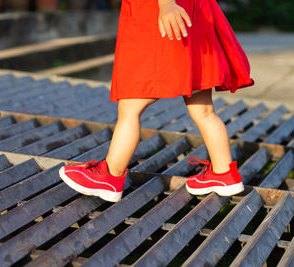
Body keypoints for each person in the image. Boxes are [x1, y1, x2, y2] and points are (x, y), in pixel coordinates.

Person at [58, 0, 254, 202]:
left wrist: (166, 4)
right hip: (191, 17)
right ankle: (224, 174)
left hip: (164, 18)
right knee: (204, 112)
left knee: (130, 110)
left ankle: (110, 176)